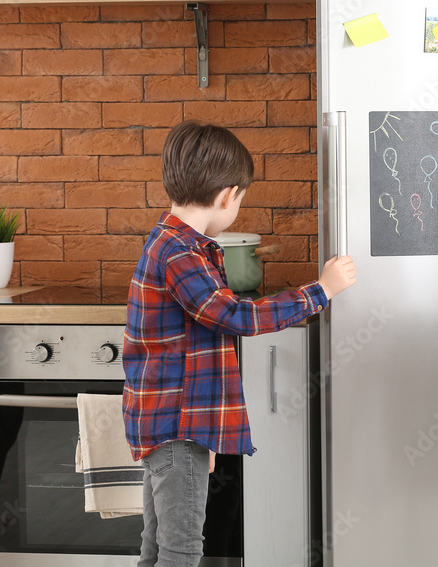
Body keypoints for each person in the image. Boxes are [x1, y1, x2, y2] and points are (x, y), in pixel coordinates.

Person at [122, 120, 357, 567]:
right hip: (175, 429)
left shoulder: (173, 242)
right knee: (181, 551)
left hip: (173, 426)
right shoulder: (180, 253)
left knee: (157, 549)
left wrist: (206, 441)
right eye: (241, 200)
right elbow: (235, 316)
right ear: (228, 195)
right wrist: (321, 290)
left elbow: (192, 349)